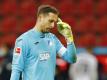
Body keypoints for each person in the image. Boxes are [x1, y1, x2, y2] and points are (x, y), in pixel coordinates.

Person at [10, 5, 77, 80]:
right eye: (50, 21)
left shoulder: (53, 39)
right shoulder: (23, 40)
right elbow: (16, 70)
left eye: (54, 22)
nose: (52, 25)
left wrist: (69, 38)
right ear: (40, 17)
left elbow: (71, 59)